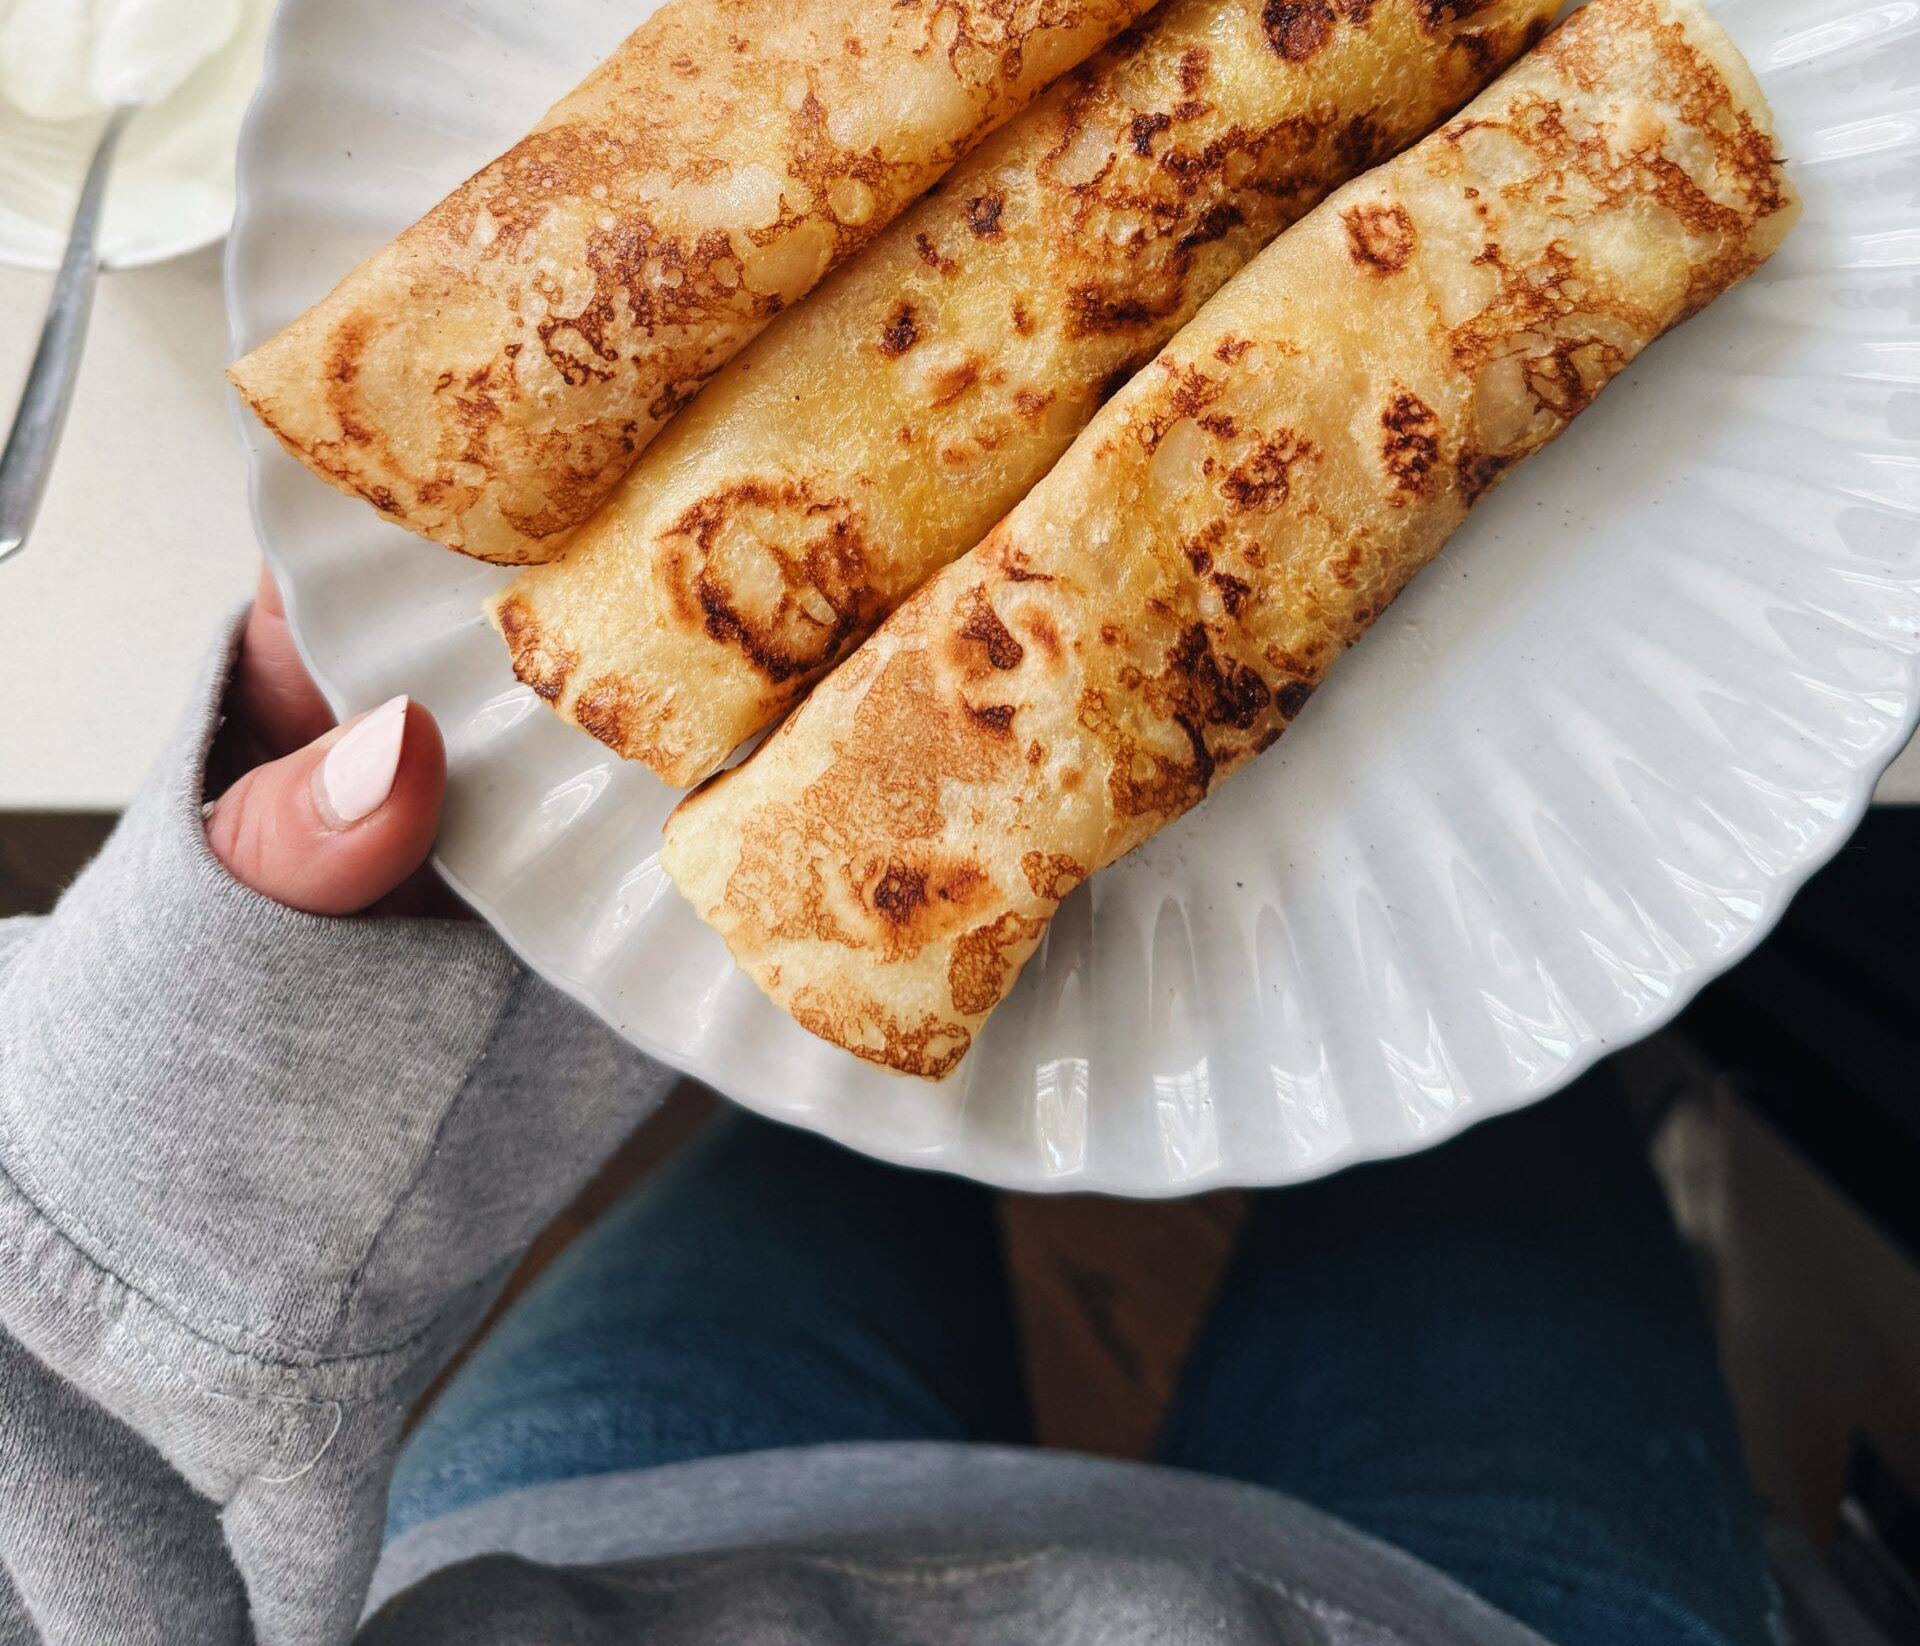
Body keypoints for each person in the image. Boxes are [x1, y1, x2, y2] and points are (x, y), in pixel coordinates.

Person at [0, 575, 1775, 1646]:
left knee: (829, 1055)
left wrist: (122, 1275)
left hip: (631, 1548)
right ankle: (1612, 1074)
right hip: (1446, 1616)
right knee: (1498, 1071)